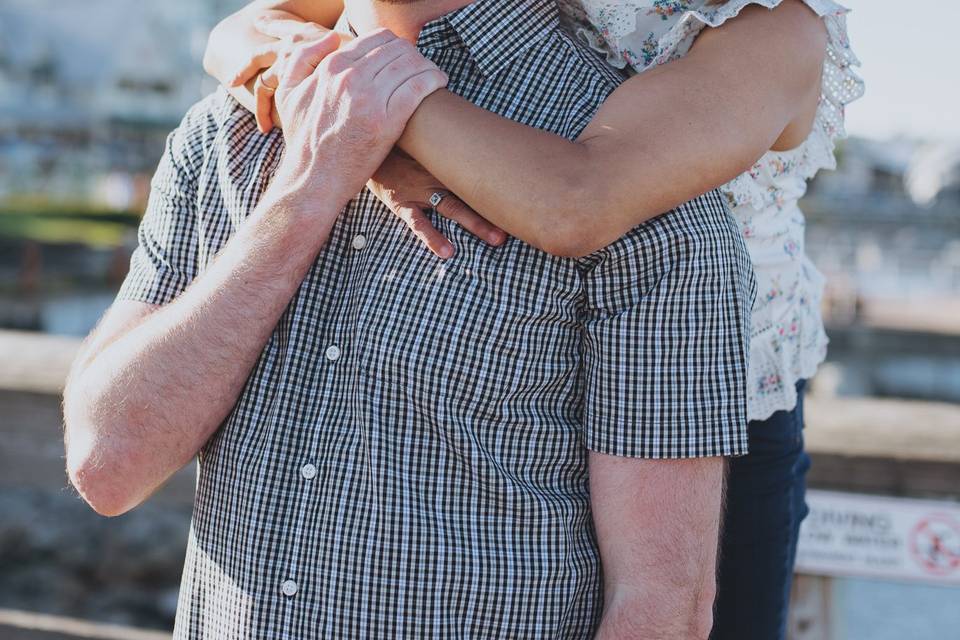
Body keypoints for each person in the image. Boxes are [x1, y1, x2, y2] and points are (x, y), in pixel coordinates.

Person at [63, 0, 755, 638]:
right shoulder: (228, 130)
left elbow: (663, 603)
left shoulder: (636, 190)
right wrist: (313, 183)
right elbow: (108, 466)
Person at [204, 0, 864, 638]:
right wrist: (319, 77)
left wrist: (372, 115)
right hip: (538, 354)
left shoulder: (784, 30)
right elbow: (243, 31)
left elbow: (578, 202)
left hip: (711, 410)